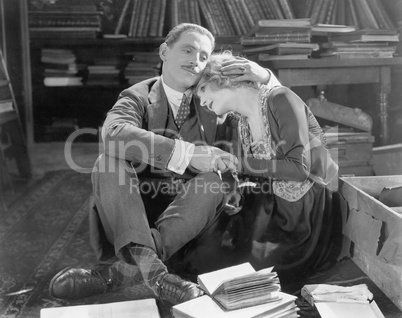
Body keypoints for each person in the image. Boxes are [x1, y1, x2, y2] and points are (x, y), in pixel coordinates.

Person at [48, 24, 281, 305]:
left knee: (214, 180)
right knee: (107, 161)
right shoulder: (138, 95)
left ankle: (120, 274)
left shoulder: (214, 98)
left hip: (193, 225)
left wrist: (265, 76)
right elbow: (113, 133)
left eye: (204, 56)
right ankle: (159, 276)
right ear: (164, 52)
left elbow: (270, 110)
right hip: (133, 216)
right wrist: (185, 153)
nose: (196, 59)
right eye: (187, 49)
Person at [193, 51, 346, 283]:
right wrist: (238, 189)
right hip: (276, 206)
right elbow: (264, 175)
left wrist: (241, 164)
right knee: (205, 252)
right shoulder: (242, 120)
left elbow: (298, 170)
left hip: (307, 213)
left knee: (252, 271)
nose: (202, 102)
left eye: (202, 91)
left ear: (222, 79)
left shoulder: (281, 98)